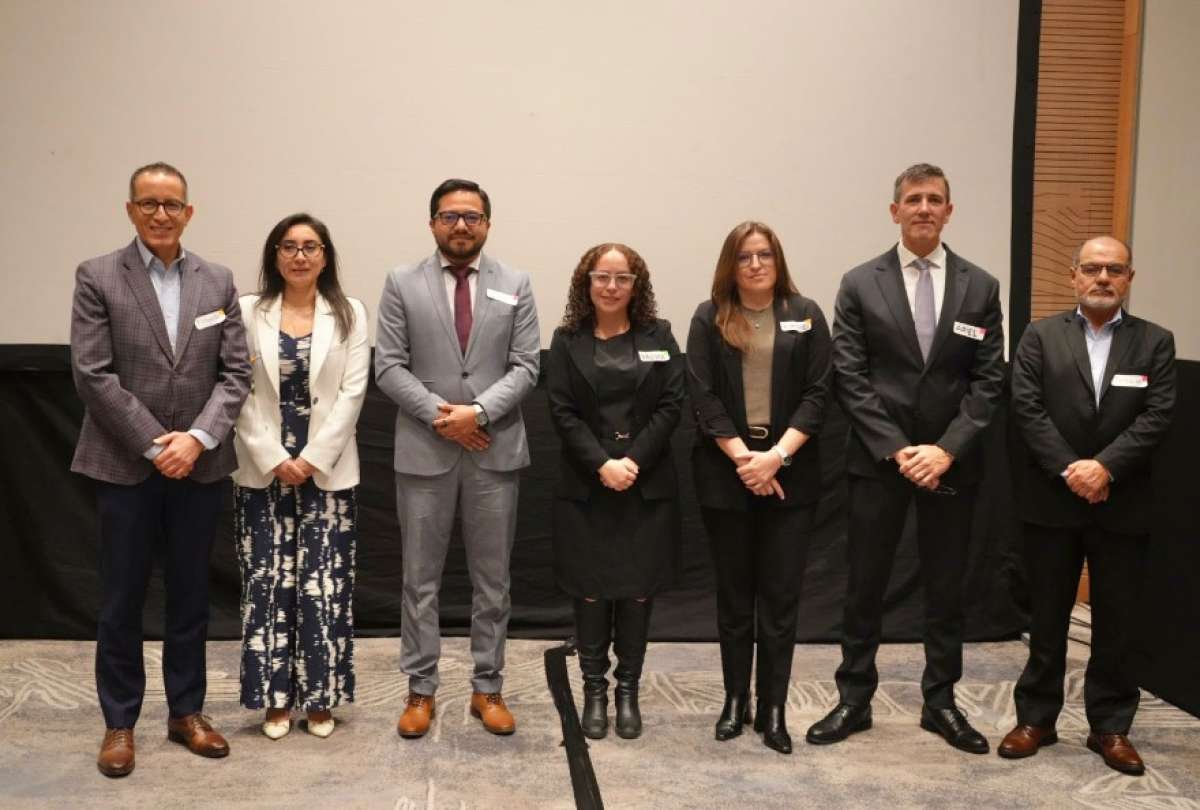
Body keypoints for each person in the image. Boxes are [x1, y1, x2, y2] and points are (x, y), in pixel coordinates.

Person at [807, 163, 1005, 754]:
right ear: (894, 211)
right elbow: (850, 374)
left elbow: (988, 382)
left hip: (951, 463)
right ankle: (854, 700)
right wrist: (898, 450)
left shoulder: (981, 286)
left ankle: (940, 703)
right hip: (878, 462)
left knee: (946, 587)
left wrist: (944, 450)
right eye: (913, 199)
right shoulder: (859, 283)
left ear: (949, 211)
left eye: (935, 200)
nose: (924, 208)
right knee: (864, 584)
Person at [70, 162, 251, 777]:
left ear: (189, 212)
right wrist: (156, 443)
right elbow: (93, 373)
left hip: (198, 466)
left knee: (191, 597)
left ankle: (186, 714)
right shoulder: (98, 275)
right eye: (147, 203)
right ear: (129, 210)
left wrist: (197, 440)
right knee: (121, 598)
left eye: (172, 204)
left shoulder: (218, 280)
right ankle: (119, 722)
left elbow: (235, 376)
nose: (160, 214)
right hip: (125, 464)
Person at [1001, 236, 1175, 775]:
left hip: (1123, 500)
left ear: (1129, 278)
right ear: (1073, 276)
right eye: (1092, 269)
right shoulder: (1040, 336)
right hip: (1053, 498)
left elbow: (1158, 413)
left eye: (1114, 269)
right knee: (1048, 616)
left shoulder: (1155, 341)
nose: (1103, 277)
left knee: (1118, 620)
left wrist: (1105, 468)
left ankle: (1111, 727)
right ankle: (1037, 719)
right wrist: (1073, 470)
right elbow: (1026, 408)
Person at [375, 178, 539, 738]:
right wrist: (445, 417)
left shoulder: (515, 282)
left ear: (487, 224)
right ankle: (420, 689)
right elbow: (389, 365)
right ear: (432, 224)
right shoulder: (402, 282)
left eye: (472, 216)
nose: (461, 225)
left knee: (492, 581)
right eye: (449, 216)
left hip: (494, 451)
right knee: (420, 581)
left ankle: (487, 688)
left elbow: (526, 367)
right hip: (425, 450)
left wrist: (479, 414)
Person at [686, 221, 832, 754]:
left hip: (790, 472)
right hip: (726, 473)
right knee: (733, 597)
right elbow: (702, 397)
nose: (754, 264)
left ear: (778, 260)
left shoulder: (806, 314)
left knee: (779, 599)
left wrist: (775, 457)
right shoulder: (709, 317)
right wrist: (745, 460)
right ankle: (733, 701)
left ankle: (773, 707)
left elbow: (819, 395)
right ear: (731, 263)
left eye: (764, 255)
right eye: (744, 256)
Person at [231, 213, 370, 740]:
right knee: (267, 585)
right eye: (288, 246)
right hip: (261, 470)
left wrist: (310, 459)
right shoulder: (248, 311)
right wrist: (274, 456)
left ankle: (319, 698)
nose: (300, 256)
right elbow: (236, 388)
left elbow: (353, 394)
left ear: (325, 256)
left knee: (324, 587)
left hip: (328, 472)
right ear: (274, 256)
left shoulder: (349, 312)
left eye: (311, 247)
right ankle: (273, 700)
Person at [546, 243, 684, 740]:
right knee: (589, 591)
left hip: (644, 487)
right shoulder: (566, 340)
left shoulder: (659, 336)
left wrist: (632, 462)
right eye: (601, 277)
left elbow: (672, 405)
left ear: (635, 285)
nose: (610, 286)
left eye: (621, 278)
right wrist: (603, 463)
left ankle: (628, 690)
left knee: (637, 593)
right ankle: (595, 691)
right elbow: (561, 411)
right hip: (586, 486)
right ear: (587, 283)